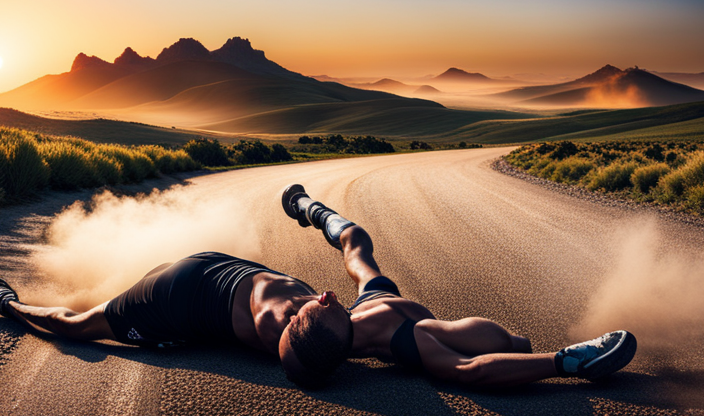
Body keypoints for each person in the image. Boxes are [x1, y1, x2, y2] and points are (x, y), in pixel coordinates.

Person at [279, 184, 638, 387]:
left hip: (372, 302)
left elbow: (307, 354)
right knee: (513, 343)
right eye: (305, 314)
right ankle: (570, 358)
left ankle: (305, 205)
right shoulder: (410, 341)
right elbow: (473, 369)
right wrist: (563, 362)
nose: (316, 299)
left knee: (354, 239)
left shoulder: (345, 322)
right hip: (408, 329)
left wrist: (306, 206)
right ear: (328, 305)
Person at [0, 251, 353, 386]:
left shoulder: (309, 316)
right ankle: (8, 303)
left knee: (81, 323)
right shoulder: (274, 320)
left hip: (207, 268)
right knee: (75, 328)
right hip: (173, 297)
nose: (333, 297)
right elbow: (296, 359)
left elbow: (298, 361)